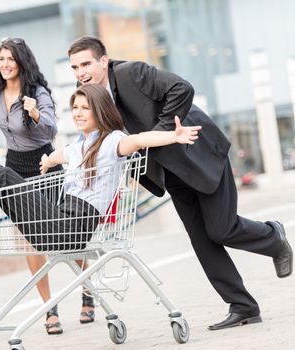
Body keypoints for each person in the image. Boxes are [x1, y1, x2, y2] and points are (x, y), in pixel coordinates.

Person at [0, 83, 200, 323]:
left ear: (100, 111)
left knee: (1, 175)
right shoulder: (80, 145)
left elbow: (142, 140)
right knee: (0, 179)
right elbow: (59, 155)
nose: (78, 113)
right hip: (57, 220)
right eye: (75, 107)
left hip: (73, 227)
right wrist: (49, 160)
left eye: (85, 108)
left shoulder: (112, 141)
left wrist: (174, 136)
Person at [67, 36, 293, 330]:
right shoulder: (88, 93)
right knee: (201, 239)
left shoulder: (130, 73)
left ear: (103, 61)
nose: (80, 72)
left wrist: (164, 132)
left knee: (221, 229)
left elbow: (181, 88)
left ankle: (273, 237)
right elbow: (95, 133)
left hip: (198, 151)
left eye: (86, 63)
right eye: (74, 67)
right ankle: (243, 307)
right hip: (169, 169)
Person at [0, 37, 70, 334]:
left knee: (66, 233)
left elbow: (52, 128)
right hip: (14, 166)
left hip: (44, 165)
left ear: (21, 62)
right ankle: (48, 308)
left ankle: (88, 292)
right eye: (1, 59)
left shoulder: (37, 92)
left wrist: (36, 112)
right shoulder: (1, 91)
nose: (5, 64)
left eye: (10, 59)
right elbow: (8, 121)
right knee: (30, 239)